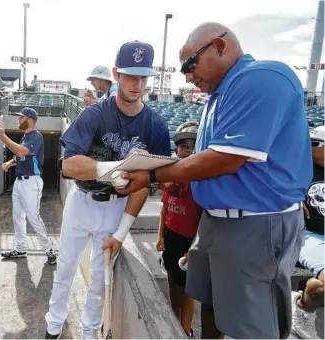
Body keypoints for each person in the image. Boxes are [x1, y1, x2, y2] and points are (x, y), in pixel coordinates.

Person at [119, 22, 312, 339]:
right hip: (216, 222)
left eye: (189, 66)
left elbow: (224, 159)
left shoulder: (263, 77)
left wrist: (152, 174)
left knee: (251, 329)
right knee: (211, 305)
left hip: (256, 222)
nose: (188, 77)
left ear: (219, 47)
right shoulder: (218, 96)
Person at [44, 40, 170, 339]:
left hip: (117, 206)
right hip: (83, 200)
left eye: (143, 77)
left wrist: (122, 231)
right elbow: (68, 165)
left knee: (100, 279)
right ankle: (53, 326)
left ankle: (89, 332)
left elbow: (149, 183)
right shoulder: (95, 114)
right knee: (65, 268)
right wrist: (113, 170)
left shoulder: (156, 125)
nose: (137, 84)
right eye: (130, 76)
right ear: (116, 74)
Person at [0, 107, 57, 265]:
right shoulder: (26, 137)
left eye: (22, 117)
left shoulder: (36, 136)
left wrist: (2, 137)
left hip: (31, 182)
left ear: (31, 119)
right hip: (19, 182)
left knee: (33, 218)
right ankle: (20, 249)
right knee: (18, 218)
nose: (19, 120)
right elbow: (20, 156)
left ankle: (49, 250)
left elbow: (22, 152)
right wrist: (10, 162)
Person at [156, 122, 201, 338]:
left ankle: (186, 330)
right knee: (172, 281)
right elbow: (165, 208)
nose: (187, 150)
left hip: (189, 240)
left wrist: (193, 248)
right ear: (176, 150)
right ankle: (174, 322)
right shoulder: (172, 178)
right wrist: (159, 235)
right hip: (171, 235)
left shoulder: (201, 179)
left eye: (193, 146)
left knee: (187, 289)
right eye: (183, 146)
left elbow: (204, 218)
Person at [296, 125, 324, 313]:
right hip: (309, 234)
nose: (309, 147)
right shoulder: (298, 166)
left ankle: (307, 300)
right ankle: (303, 303)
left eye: (315, 143)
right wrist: (292, 199)